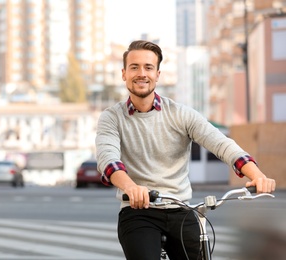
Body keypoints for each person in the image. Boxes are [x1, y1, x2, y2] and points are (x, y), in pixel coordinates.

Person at [95, 40, 276, 260]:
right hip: (138, 210)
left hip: (180, 208)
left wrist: (256, 175)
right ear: (124, 73)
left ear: (158, 74)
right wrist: (131, 188)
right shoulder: (112, 117)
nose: (141, 73)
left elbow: (221, 143)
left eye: (148, 67)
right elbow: (108, 158)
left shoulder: (181, 114)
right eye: (134, 67)